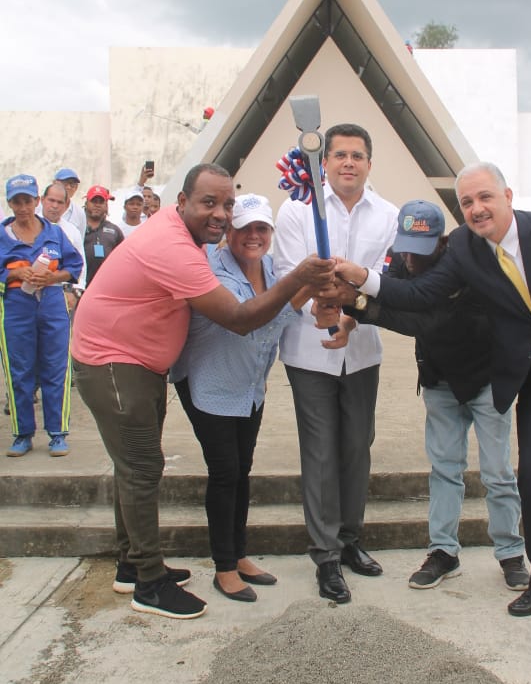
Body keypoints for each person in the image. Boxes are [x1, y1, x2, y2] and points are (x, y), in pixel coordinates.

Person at [333, 162, 531, 619]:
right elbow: (422, 295)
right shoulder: (464, 247)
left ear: (507, 194)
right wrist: (362, 280)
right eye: (467, 202)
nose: (477, 209)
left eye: (485, 197)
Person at [71, 163, 335, 621]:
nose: (219, 214)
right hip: (114, 361)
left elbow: (273, 315)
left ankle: (132, 566)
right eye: (209, 203)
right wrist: (300, 280)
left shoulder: (192, 243)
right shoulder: (179, 248)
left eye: (226, 204)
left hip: (145, 365)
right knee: (143, 467)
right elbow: (239, 319)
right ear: (182, 203)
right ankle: (149, 585)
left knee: (136, 465)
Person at [339, 200, 528, 592]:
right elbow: (391, 297)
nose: (411, 259)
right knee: (444, 469)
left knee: (497, 473)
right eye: (406, 247)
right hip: (439, 379)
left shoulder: (459, 263)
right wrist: (351, 304)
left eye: (420, 250)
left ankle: (510, 552)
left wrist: (357, 301)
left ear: (440, 243)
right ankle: (444, 551)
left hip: (485, 378)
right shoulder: (399, 259)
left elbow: (419, 315)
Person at [273, 124, 398, 604]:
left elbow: (385, 278)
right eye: (340, 154)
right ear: (322, 162)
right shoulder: (298, 209)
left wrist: (351, 315)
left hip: (362, 349)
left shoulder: (387, 215)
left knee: (356, 448)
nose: (349, 162)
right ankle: (325, 555)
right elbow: (287, 272)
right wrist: (316, 310)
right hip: (309, 353)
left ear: (370, 163)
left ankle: (350, 539)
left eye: (358, 155)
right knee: (321, 451)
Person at [172, 194, 296, 603]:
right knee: (225, 471)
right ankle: (223, 566)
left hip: (249, 387)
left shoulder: (276, 269)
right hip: (209, 384)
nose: (253, 236)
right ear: (229, 231)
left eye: (262, 228)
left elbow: (292, 311)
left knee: (242, 469)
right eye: (244, 228)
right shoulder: (211, 268)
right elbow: (246, 317)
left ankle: (239, 554)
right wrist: (301, 286)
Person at [1, 174, 83, 457]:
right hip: (16, 307)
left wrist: (51, 277)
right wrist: (14, 272)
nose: (23, 207)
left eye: (27, 200)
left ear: (37, 201)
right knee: (19, 371)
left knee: (56, 369)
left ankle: (58, 433)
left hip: (52, 304)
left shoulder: (55, 233)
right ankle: (22, 433)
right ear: (10, 203)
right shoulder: (3, 235)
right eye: (16, 202)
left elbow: (74, 266)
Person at [40, 181, 87, 289]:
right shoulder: (30, 225)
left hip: (64, 291)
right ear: (42, 200)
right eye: (51, 200)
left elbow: (81, 265)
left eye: (60, 202)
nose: (55, 206)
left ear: (66, 205)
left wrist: (76, 292)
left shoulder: (72, 231)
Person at [83, 186, 124, 284]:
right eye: (94, 201)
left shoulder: (115, 231)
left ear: (106, 206)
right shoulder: (76, 226)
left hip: (104, 286)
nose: (97, 205)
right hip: (77, 288)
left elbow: (122, 260)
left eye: (101, 202)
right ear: (86, 203)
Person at [54, 167, 86, 240]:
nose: (68, 187)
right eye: (65, 183)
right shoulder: (41, 207)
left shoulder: (80, 213)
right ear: (54, 183)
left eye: (72, 184)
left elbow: (80, 242)